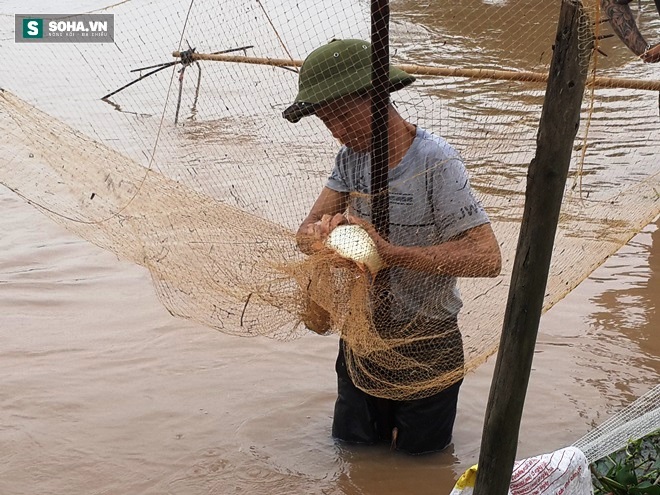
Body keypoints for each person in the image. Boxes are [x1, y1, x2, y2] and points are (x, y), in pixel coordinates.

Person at [283, 39, 502, 455]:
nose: (338, 132)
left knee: (421, 465)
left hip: (428, 342)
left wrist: (392, 253)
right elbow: (304, 232)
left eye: (344, 116)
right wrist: (323, 234)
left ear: (378, 97)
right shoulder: (350, 158)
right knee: (352, 453)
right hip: (362, 338)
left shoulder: (436, 162)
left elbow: (487, 257)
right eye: (327, 122)